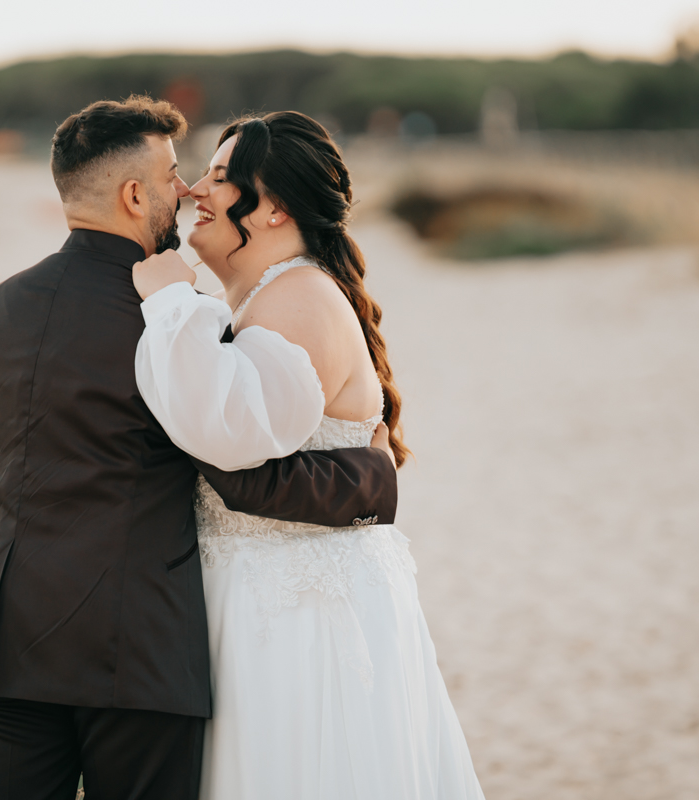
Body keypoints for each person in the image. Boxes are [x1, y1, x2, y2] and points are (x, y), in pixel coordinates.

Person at [0, 96, 400, 800]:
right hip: (132, 654)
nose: (187, 191)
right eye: (173, 176)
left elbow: (1, 453)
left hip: (0, 640)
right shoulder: (178, 322)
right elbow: (238, 468)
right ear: (135, 195)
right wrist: (372, 477)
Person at [132, 111, 486, 799]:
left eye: (222, 177)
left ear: (276, 210)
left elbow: (225, 431)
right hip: (255, 601)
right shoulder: (270, 296)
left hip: (298, 624)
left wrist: (174, 301)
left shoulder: (297, 297)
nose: (196, 190)